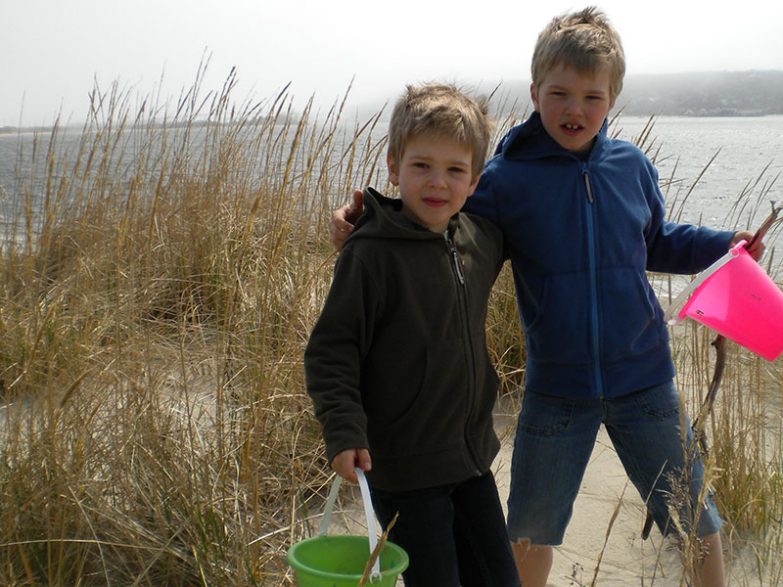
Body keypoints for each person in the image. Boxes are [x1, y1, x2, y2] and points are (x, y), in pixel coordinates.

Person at [329, 8, 764, 587]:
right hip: (556, 389)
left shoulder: (631, 167)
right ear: (535, 92)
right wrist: (367, 220)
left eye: (592, 96)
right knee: (530, 528)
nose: (574, 109)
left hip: (645, 378)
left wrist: (722, 244)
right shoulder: (505, 180)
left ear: (612, 99)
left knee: (692, 517)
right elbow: (438, 215)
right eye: (559, 93)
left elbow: (657, 240)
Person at [304, 83, 519, 586]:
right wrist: (343, 431)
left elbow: (543, 218)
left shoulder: (480, 238)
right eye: (421, 166)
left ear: (474, 181)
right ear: (393, 165)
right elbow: (331, 350)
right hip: (404, 469)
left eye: (455, 170)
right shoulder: (370, 254)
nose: (437, 183)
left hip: (471, 460)